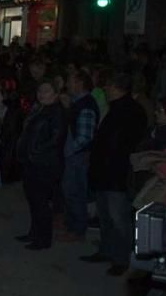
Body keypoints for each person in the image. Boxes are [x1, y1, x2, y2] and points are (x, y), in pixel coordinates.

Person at [81, 71, 148, 275]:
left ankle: (121, 258)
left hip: (116, 174)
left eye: (108, 86)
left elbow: (122, 145)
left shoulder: (131, 111)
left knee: (118, 217)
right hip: (106, 171)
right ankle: (107, 250)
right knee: (105, 216)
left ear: (117, 87)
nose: (105, 89)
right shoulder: (119, 108)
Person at [15, 81, 66, 250]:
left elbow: (55, 139)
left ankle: (43, 239)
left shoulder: (57, 112)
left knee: (41, 202)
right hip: (32, 162)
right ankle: (34, 233)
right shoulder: (40, 109)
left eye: (46, 91)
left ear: (56, 93)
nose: (41, 94)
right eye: (40, 90)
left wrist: (34, 152)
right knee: (33, 200)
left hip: (44, 164)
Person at [58, 69, 99, 244]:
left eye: (70, 81)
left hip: (77, 157)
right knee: (70, 192)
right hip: (74, 155)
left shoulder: (86, 105)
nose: (67, 84)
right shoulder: (78, 103)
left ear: (80, 83)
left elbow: (84, 138)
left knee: (74, 193)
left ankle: (77, 229)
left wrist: (67, 152)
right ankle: (71, 225)